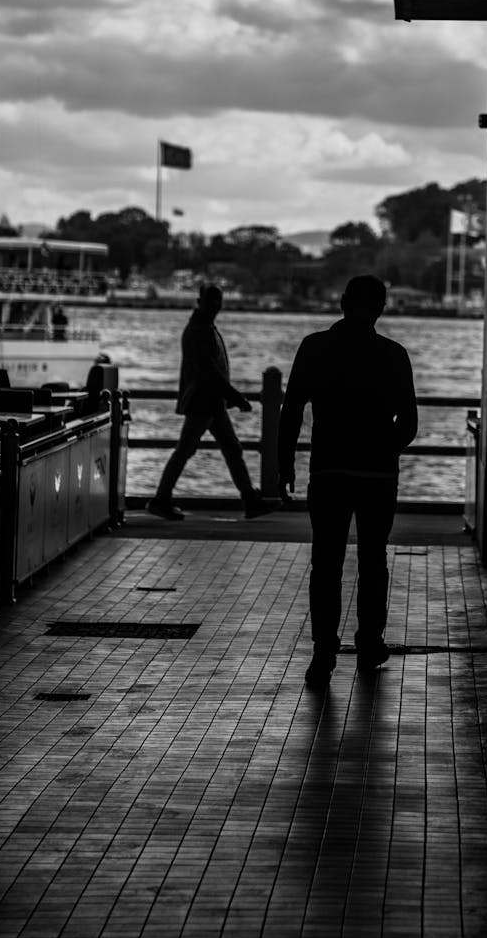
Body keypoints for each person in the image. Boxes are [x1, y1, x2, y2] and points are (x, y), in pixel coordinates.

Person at [277, 274, 418, 690]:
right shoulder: (394, 355)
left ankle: (323, 653)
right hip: (377, 476)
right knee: (373, 561)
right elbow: (408, 423)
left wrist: (286, 463)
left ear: (341, 302)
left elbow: (291, 410)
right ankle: (370, 642)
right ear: (381, 308)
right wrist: (383, 449)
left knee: (327, 564)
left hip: (328, 472)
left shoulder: (315, 347)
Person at [146, 283, 271, 521]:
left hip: (211, 402)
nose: (216, 306)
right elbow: (210, 371)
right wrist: (235, 396)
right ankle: (161, 499)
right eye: (213, 301)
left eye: (218, 301)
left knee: (227, 449)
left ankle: (249, 499)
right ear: (200, 302)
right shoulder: (199, 330)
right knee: (189, 450)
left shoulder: (202, 327)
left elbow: (212, 371)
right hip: (204, 402)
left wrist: (229, 396)